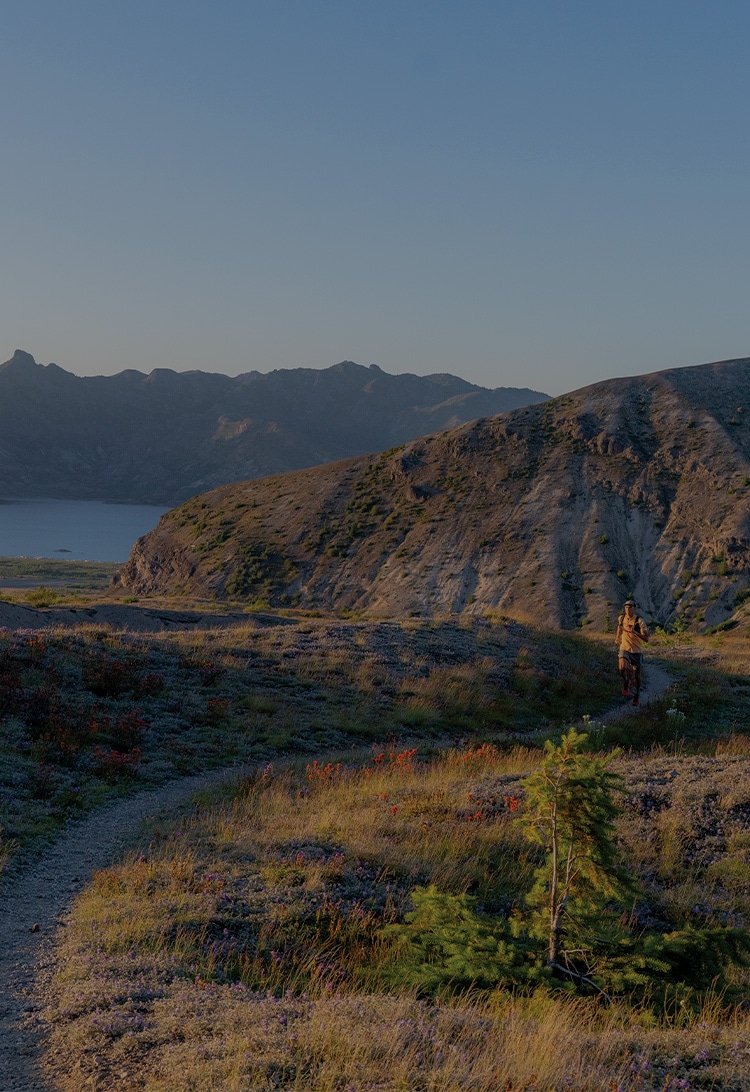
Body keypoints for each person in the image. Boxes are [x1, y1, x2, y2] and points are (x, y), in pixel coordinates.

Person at [615, 599, 649, 706]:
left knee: (637, 676)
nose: (628, 609)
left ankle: (637, 694)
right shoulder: (621, 618)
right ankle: (626, 682)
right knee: (621, 667)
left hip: (636, 651)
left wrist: (635, 632)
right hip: (624, 648)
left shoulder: (640, 621)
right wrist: (617, 637)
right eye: (626, 607)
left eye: (630, 607)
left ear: (634, 608)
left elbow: (646, 638)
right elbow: (620, 627)